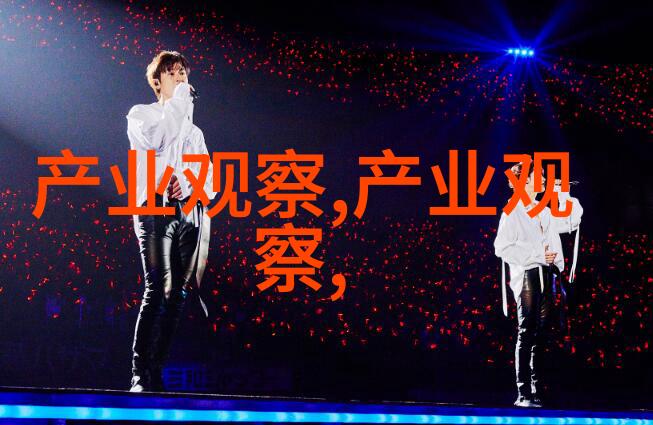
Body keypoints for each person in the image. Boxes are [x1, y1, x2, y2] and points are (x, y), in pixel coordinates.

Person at [125, 50, 216, 392]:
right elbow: (162, 137)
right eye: (172, 72)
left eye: (183, 73)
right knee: (157, 289)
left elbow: (209, 182)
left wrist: (188, 184)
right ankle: (139, 374)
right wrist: (180, 101)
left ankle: (156, 373)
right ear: (157, 80)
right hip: (154, 207)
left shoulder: (195, 133)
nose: (180, 78)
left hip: (188, 212)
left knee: (177, 294)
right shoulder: (141, 115)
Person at [494, 161, 582, 407]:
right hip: (528, 275)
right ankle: (523, 392)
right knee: (527, 330)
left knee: (542, 334)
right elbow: (501, 247)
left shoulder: (543, 211)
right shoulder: (512, 211)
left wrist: (563, 194)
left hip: (547, 275)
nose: (544, 179)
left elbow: (572, 221)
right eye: (539, 175)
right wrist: (537, 255)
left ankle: (537, 390)